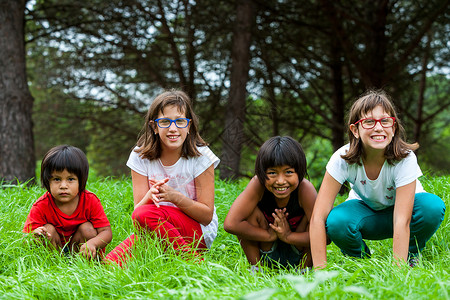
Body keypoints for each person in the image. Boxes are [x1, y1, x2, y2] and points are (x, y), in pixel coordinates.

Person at [310, 90, 446, 269]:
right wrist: (320, 272)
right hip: (366, 214)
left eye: (385, 121)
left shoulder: (405, 158)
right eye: (368, 122)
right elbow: (318, 218)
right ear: (355, 130)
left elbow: (401, 219)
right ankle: (361, 262)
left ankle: (411, 255)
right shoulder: (341, 158)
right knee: (337, 221)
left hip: (403, 214)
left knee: (432, 207)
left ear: (393, 127)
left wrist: (398, 271)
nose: (379, 128)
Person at [105, 90, 220, 265]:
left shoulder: (202, 157)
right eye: (165, 122)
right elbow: (138, 216)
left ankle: (192, 261)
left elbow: (206, 216)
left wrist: (175, 197)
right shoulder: (139, 156)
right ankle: (172, 254)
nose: (173, 129)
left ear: (188, 126)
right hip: (153, 226)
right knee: (110, 264)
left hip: (197, 232)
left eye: (180, 121)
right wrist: (149, 196)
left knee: (146, 214)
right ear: (154, 126)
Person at [224, 136, 317, 270]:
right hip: (265, 249)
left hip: (299, 250)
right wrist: (268, 235)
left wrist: (288, 236)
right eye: (272, 173)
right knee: (248, 214)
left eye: (289, 172)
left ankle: (304, 270)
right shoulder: (258, 184)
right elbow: (231, 223)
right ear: (262, 173)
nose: (280, 181)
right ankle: (257, 269)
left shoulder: (305, 189)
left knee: (314, 222)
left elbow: (325, 237)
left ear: (300, 172)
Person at [23, 145, 112, 259]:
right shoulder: (42, 205)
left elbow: (106, 232)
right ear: (47, 181)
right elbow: (25, 240)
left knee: (87, 229)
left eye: (70, 179)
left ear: (81, 180)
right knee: (47, 230)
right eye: (57, 179)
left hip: (80, 250)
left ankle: (85, 267)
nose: (63, 186)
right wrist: (34, 236)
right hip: (54, 252)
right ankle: (54, 267)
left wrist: (93, 243)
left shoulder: (90, 200)